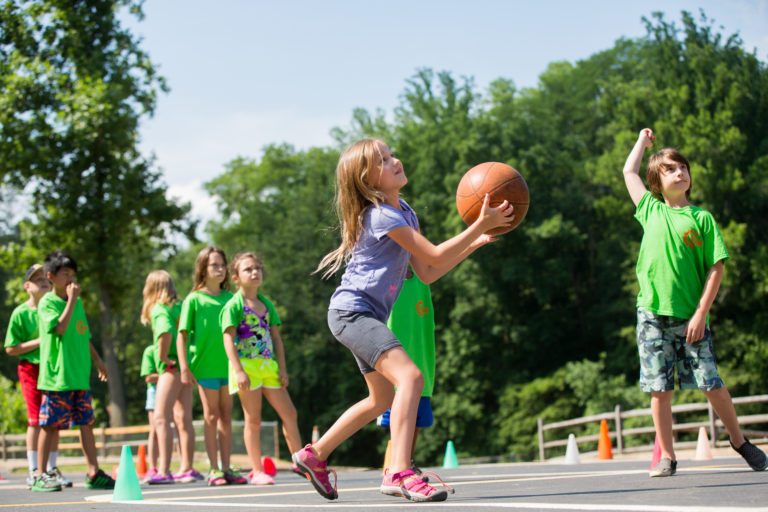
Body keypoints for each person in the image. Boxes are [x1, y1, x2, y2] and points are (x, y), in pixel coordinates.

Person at [292, 139, 514, 502]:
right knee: (411, 377)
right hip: (353, 312)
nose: (395, 160)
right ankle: (398, 471)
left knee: (380, 399)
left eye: (391, 154)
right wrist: (478, 225)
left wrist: (475, 242)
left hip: (360, 314)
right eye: (383, 159)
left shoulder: (405, 212)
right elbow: (436, 252)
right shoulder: (381, 216)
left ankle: (314, 455)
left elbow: (427, 271)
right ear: (368, 180)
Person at [622, 128, 768, 477]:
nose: (680, 172)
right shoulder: (649, 209)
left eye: (683, 167)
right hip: (652, 315)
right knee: (660, 389)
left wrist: (701, 313)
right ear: (656, 181)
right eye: (671, 168)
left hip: (691, 317)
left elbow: (716, 269)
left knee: (711, 383)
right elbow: (628, 172)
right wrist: (642, 143)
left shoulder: (701, 219)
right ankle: (667, 456)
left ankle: (739, 441)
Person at [32, 250, 114, 491]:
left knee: (86, 422)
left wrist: (98, 360)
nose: (70, 279)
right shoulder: (47, 302)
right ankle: (41, 474)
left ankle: (93, 472)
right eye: (65, 273)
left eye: (72, 274)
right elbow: (59, 328)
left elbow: (82, 333)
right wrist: (71, 302)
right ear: (50, 277)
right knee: (49, 424)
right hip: (58, 377)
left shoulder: (76, 303)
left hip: (79, 376)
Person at [221, 252, 303, 485]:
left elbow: (276, 338)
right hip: (246, 367)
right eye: (248, 269)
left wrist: (283, 369)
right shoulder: (234, 306)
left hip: (269, 367)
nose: (255, 272)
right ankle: (257, 471)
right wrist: (238, 370)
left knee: (290, 413)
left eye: (257, 268)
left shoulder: (266, 304)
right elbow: (228, 339)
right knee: (253, 419)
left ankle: (301, 463)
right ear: (236, 277)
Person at [177, 247, 246, 486]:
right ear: (202, 269)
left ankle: (226, 468)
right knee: (211, 415)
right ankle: (214, 469)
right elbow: (182, 335)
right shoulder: (193, 299)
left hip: (229, 367)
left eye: (222, 264)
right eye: (214, 265)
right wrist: (184, 367)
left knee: (226, 417)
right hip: (204, 368)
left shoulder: (232, 298)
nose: (220, 269)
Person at [4, 264, 71, 489]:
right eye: (37, 279)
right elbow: (11, 348)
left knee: (53, 419)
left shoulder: (54, 307)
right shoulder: (21, 313)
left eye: (45, 278)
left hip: (52, 367)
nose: (43, 282)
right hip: (31, 369)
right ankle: (34, 470)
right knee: (36, 419)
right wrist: (39, 341)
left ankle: (51, 469)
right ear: (27, 286)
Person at [141, 270, 200, 484]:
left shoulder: (159, 308)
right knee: (184, 419)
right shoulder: (181, 306)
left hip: (171, 366)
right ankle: (187, 467)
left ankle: (164, 470)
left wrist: (163, 356)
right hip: (186, 365)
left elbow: (165, 332)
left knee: (160, 417)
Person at [377, 267, 435, 478]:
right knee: (399, 418)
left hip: (420, 355)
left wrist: (473, 242)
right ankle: (392, 469)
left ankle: (406, 465)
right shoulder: (387, 275)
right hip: (394, 358)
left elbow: (443, 259)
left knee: (416, 418)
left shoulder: (424, 274)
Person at [139, 344, 160, 482]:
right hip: (154, 392)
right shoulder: (150, 351)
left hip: (174, 390)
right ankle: (153, 466)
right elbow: (148, 377)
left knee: (177, 426)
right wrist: (166, 374)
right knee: (155, 429)